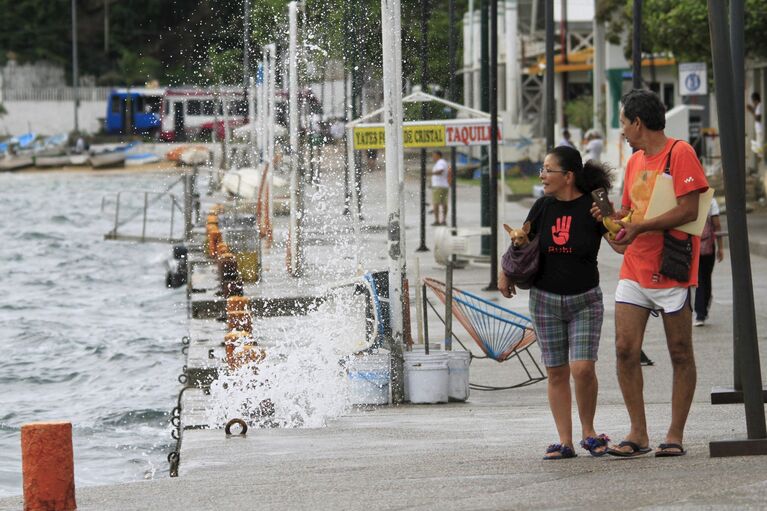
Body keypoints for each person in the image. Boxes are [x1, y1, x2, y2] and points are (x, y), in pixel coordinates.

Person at [592, 89, 709, 458]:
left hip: (671, 267)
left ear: (638, 123)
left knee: (679, 351)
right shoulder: (634, 162)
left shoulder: (681, 153)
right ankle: (638, 432)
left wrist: (642, 227)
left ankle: (674, 434)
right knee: (625, 349)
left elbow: (690, 210)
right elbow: (629, 217)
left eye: (624, 122)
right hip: (635, 267)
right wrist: (611, 223)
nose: (622, 130)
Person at [498, 145, 615, 460]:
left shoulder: (593, 204)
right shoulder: (542, 206)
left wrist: (609, 215)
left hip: (585, 300)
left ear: (568, 176)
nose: (542, 175)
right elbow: (520, 244)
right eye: (542, 169)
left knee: (582, 368)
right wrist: (505, 273)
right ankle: (565, 441)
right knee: (556, 371)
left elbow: (619, 244)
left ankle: (589, 432)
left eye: (548, 169)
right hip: (545, 300)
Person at [694, 197, 724, 327]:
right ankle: (701, 311)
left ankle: (701, 312)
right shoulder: (711, 200)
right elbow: (717, 225)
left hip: (693, 247)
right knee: (705, 278)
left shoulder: (688, 198)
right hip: (709, 247)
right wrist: (720, 247)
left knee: (700, 280)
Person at [430, 150, 450, 226]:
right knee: (444, 203)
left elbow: (441, 170)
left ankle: (437, 220)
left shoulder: (440, 162)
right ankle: (444, 220)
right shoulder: (443, 162)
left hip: (438, 186)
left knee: (436, 203)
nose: (433, 158)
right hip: (444, 185)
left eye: (434, 156)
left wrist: (431, 173)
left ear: (438, 155)